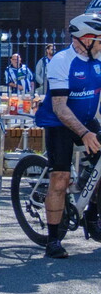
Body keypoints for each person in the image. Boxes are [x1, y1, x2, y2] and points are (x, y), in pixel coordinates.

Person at [33, 14, 101, 258]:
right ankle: (53, 240)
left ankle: (92, 215)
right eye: (100, 39)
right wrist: (84, 134)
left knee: (99, 169)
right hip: (59, 122)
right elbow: (60, 107)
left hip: (87, 119)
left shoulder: (98, 58)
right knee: (60, 178)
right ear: (85, 39)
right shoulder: (62, 61)